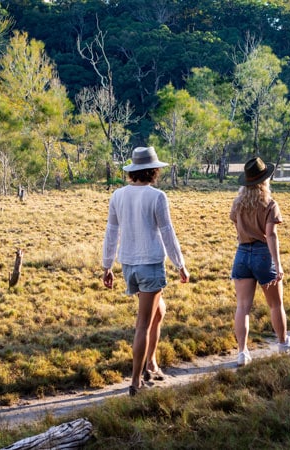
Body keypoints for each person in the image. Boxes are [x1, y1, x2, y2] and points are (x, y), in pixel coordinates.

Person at [102, 146, 190, 396]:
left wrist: (107, 266)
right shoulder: (157, 197)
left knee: (159, 311)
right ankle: (135, 381)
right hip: (150, 265)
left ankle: (151, 362)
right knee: (142, 324)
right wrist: (180, 265)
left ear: (133, 171)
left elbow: (111, 233)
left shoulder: (118, 195)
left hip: (128, 265)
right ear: (153, 171)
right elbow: (167, 232)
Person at [230, 156, 290, 366]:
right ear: (264, 181)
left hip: (242, 254)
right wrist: (277, 265)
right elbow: (271, 235)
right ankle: (282, 342)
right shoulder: (270, 204)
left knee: (242, 306)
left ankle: (242, 352)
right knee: (275, 304)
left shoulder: (238, 203)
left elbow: (237, 228)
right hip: (263, 255)